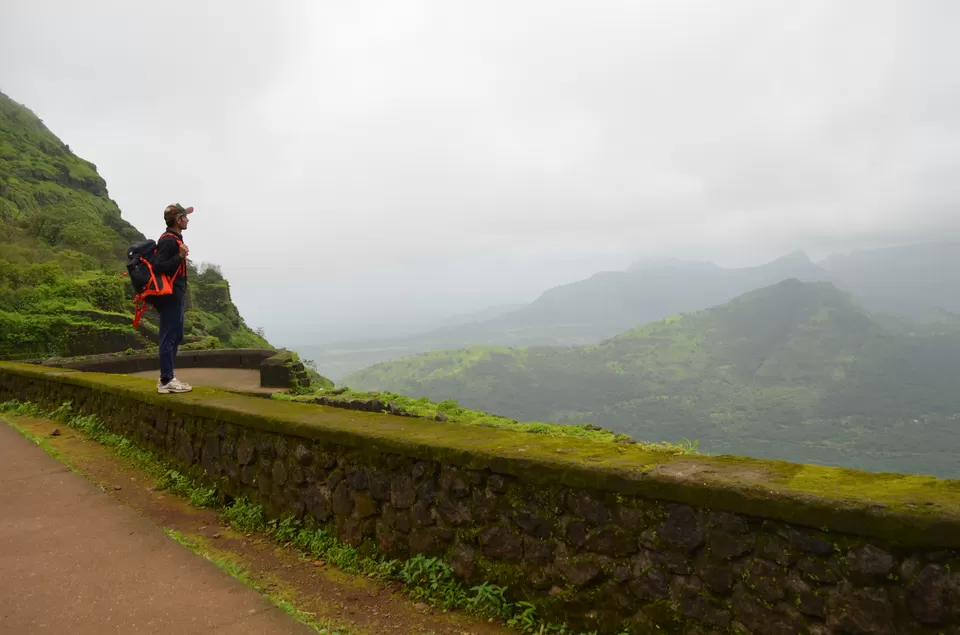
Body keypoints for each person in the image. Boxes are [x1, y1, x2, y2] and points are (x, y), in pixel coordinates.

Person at [151, 203, 194, 394]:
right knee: (169, 335)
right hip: (170, 294)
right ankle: (167, 379)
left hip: (176, 292)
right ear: (178, 220)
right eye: (185, 217)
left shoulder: (175, 238)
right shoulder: (169, 240)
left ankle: (167, 377)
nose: (187, 220)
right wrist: (179, 256)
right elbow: (158, 266)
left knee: (176, 335)